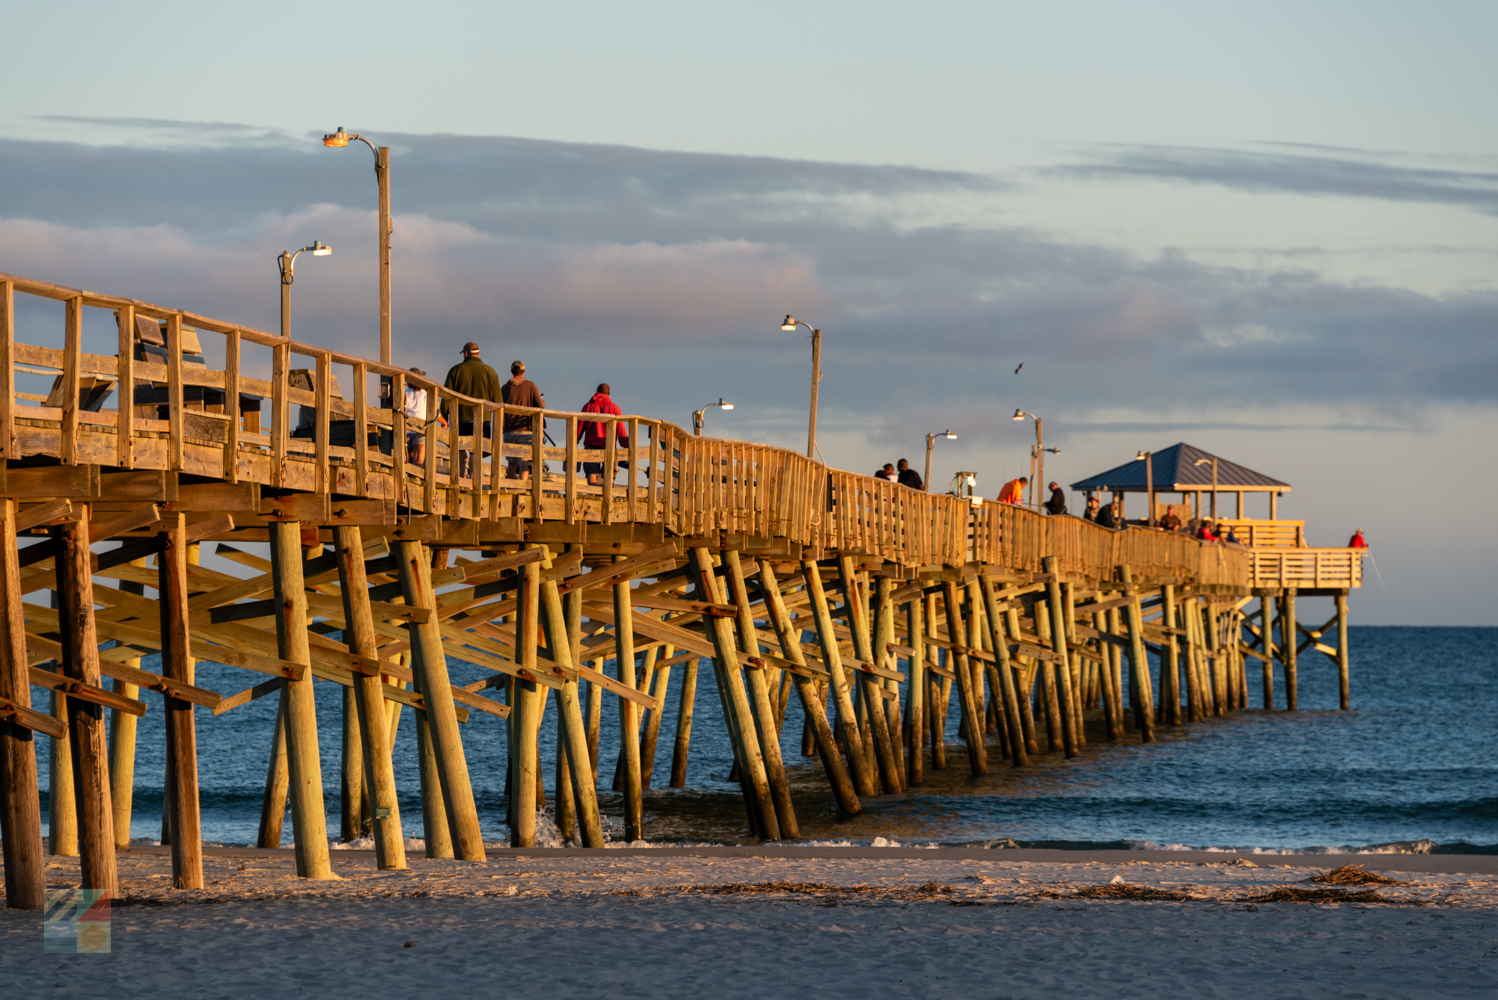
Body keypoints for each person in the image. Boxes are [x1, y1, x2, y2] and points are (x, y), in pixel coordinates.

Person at [443, 342, 503, 479]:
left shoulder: (455, 370)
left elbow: (446, 395)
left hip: (461, 418)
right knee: (476, 451)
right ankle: (474, 480)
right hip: (483, 419)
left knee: (461, 448)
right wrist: (501, 421)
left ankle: (461, 477)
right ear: (478, 354)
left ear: (465, 354)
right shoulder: (490, 372)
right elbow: (498, 401)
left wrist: (444, 416)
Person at [500, 359, 544, 481]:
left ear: (512, 371)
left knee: (511, 463)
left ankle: (512, 489)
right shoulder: (531, 386)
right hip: (526, 430)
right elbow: (541, 405)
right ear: (524, 371)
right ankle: (521, 489)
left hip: (509, 430)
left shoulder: (504, 388)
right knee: (524, 461)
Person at [578, 383, 628, 486]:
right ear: (609, 394)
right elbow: (621, 430)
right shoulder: (615, 408)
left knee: (592, 474)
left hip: (591, 446)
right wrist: (626, 445)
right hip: (609, 447)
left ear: (596, 392)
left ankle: (592, 496)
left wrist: (573, 442)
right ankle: (607, 498)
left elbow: (579, 428)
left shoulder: (587, 407)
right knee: (609, 476)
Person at [402, 367, 444, 467]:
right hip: (421, 430)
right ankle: (416, 480)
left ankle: (411, 479)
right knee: (419, 459)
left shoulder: (404, 394)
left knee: (410, 460)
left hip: (406, 430)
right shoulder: (426, 394)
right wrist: (444, 422)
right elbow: (435, 412)